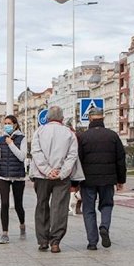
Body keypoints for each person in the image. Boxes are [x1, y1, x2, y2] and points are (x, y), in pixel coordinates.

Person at [29, 106, 83, 253]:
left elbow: (35, 152)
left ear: (47, 118)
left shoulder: (39, 131)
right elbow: (72, 155)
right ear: (62, 118)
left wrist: (47, 170)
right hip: (61, 177)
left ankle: (42, 240)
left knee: (41, 206)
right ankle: (55, 242)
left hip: (41, 176)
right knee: (59, 208)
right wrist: (62, 172)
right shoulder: (69, 133)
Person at [77, 107, 126, 251]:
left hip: (88, 180)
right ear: (102, 118)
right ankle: (104, 226)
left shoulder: (83, 137)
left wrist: (75, 182)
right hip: (108, 179)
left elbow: (78, 160)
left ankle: (92, 242)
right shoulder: (112, 136)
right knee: (107, 205)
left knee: (88, 209)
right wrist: (120, 180)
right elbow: (120, 159)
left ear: (90, 119)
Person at [0, 115, 27, 244]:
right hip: (3, 175)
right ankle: (5, 233)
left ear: (15, 125)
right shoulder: (1, 139)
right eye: (5, 123)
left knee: (18, 204)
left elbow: (22, 157)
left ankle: (22, 225)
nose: (7, 125)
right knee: (5, 203)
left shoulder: (22, 138)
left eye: (9, 123)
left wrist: (12, 144)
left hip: (18, 176)